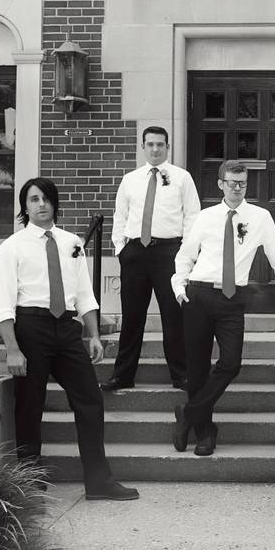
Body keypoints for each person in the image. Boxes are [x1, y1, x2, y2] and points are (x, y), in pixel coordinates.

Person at [0, 177, 138, 501]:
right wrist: (13, 349)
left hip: (68, 329)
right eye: (33, 199)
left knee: (90, 399)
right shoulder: (11, 247)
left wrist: (94, 335)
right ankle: (30, 481)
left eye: (45, 198)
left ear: (55, 203)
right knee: (29, 406)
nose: (40, 204)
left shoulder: (72, 242)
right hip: (31, 328)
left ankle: (98, 482)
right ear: (24, 207)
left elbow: (84, 294)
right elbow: (2, 302)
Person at [170, 160, 275, 456]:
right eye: (231, 183)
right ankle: (205, 433)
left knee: (231, 363)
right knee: (198, 368)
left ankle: (188, 414)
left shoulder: (260, 217)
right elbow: (185, 256)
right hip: (198, 295)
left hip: (231, 300)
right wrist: (179, 288)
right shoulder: (205, 217)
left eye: (242, 183)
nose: (237, 188)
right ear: (221, 184)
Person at [102, 126, 201, 392]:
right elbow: (120, 216)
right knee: (132, 317)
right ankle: (123, 376)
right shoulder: (130, 179)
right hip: (135, 254)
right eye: (150, 144)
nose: (155, 149)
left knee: (173, 317)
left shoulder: (182, 178)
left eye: (160, 144)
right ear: (143, 147)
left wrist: (186, 254)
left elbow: (192, 216)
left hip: (169, 253)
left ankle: (181, 376)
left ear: (168, 147)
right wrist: (120, 248)